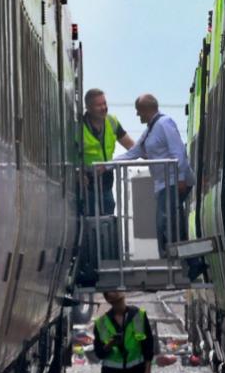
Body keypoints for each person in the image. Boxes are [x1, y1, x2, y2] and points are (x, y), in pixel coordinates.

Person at [114, 94, 193, 257]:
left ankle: (181, 260)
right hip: (163, 183)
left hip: (172, 181)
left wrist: (180, 178)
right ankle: (184, 260)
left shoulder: (165, 124)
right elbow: (134, 152)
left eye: (138, 111)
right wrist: (107, 165)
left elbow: (178, 152)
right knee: (167, 222)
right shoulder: (150, 130)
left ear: (146, 110)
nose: (137, 115)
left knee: (165, 222)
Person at [81, 88, 135, 216]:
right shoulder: (78, 126)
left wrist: (148, 152)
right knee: (88, 219)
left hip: (106, 182)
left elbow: (132, 147)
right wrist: (78, 173)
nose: (104, 108)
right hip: (86, 184)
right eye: (99, 105)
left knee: (108, 214)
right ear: (88, 108)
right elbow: (70, 153)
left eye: (104, 103)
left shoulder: (112, 121)